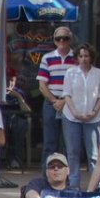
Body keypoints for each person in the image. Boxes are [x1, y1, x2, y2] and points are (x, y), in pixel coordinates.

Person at [55, 43, 100, 174]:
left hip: (93, 118)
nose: (84, 59)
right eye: (81, 56)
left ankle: (95, 184)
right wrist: (75, 112)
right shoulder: (70, 72)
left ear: (91, 57)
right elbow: (66, 94)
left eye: (87, 56)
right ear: (77, 58)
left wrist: (94, 111)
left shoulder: (99, 74)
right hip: (71, 117)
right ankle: (73, 184)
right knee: (72, 152)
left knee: (94, 154)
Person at [37, 27, 80, 160]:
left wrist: (64, 101)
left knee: (69, 144)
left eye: (65, 38)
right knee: (49, 143)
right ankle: (47, 178)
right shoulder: (47, 58)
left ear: (70, 40)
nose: (62, 41)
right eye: (58, 38)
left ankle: (67, 178)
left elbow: (78, 85)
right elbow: (42, 85)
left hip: (70, 103)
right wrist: (54, 101)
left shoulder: (77, 58)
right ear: (54, 41)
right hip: (51, 103)